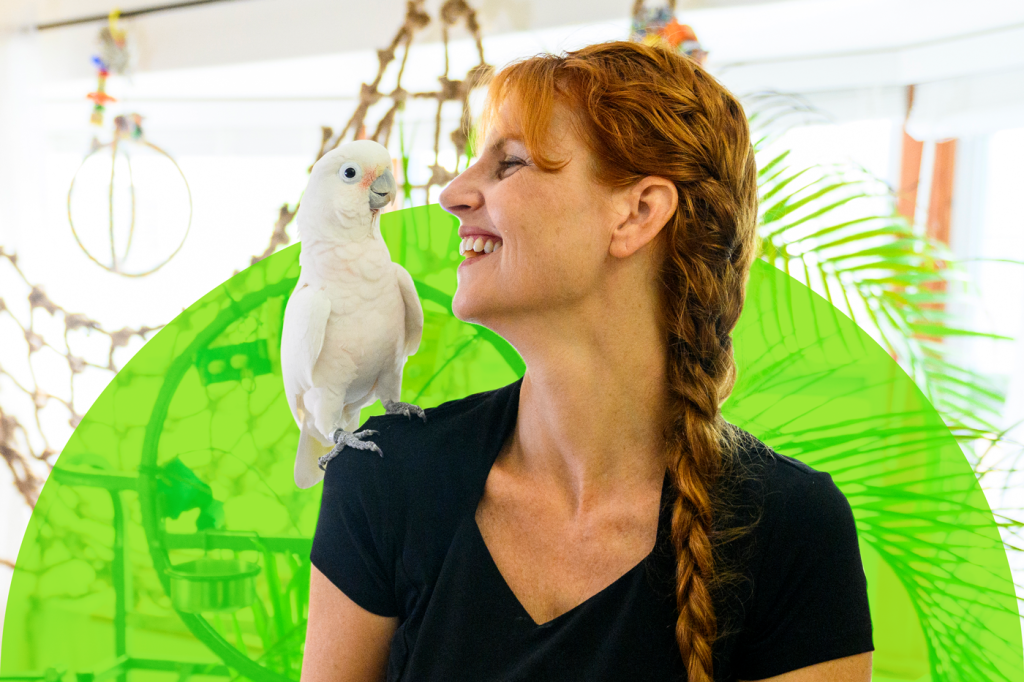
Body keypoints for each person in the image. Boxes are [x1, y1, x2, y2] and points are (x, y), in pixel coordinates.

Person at [300, 40, 874, 682]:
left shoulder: (791, 526)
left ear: (637, 213)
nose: (454, 193)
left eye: (509, 163)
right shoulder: (384, 477)